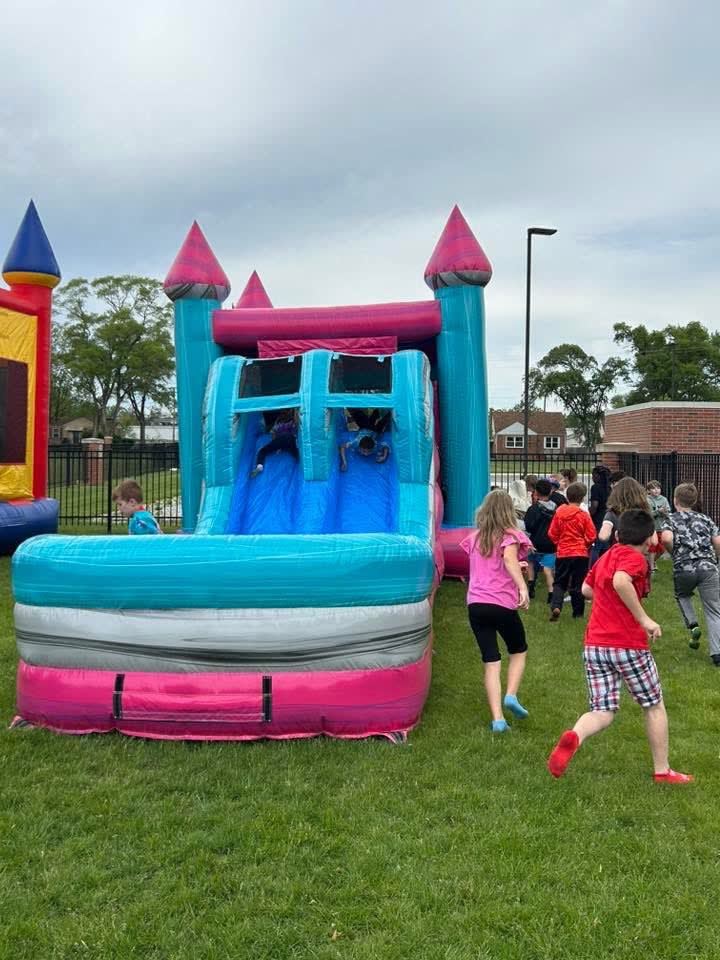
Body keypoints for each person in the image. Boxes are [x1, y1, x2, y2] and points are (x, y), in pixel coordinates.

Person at [547, 509, 693, 784]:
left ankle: (576, 735)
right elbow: (620, 580)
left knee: (602, 710)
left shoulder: (606, 557)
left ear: (617, 535)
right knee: (653, 705)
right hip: (628, 645)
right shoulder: (636, 559)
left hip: (595, 646)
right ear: (649, 539)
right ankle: (663, 771)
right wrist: (644, 619)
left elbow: (586, 590)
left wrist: (608, 595)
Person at [460, 489, 532, 733]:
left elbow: (491, 564)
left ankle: (498, 719)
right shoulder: (510, 536)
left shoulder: (475, 538)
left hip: (476, 605)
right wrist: (522, 587)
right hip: (501, 604)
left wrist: (516, 566)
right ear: (508, 511)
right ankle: (511, 695)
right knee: (518, 649)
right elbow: (508, 560)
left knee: (491, 661)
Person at [661, 482, 720, 666]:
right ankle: (717, 653)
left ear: (675, 500)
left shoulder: (670, 519)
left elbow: (666, 538)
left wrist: (673, 553)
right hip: (708, 567)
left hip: (684, 568)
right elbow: (718, 542)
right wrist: (715, 559)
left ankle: (693, 624)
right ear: (694, 501)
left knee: (683, 595)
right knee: (713, 610)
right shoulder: (706, 519)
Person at [548, 482, 597, 620]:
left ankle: (556, 605)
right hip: (580, 553)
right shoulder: (583, 515)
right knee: (578, 584)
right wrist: (584, 544)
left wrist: (559, 543)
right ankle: (578, 613)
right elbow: (592, 535)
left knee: (559, 582)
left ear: (567, 497)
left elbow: (552, 533)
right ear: (582, 498)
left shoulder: (559, 514)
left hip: (563, 552)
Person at [524, 478, 557, 602]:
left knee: (531, 563)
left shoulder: (533, 509)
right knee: (548, 569)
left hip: (535, 542)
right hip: (550, 544)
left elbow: (528, 526)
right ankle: (551, 594)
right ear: (550, 492)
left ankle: (531, 587)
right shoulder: (556, 509)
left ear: (536, 492)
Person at [251, 409, 299, 477]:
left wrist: (276, 445)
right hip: (290, 439)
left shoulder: (278, 421)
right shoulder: (292, 421)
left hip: (280, 439)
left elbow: (273, 432)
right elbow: (295, 432)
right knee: (295, 452)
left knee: (263, 451)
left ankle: (259, 466)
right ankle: (299, 460)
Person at [646, 480, 671, 573]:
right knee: (652, 548)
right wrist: (658, 511)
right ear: (648, 490)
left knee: (661, 549)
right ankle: (652, 568)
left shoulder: (664, 499)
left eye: (658, 488)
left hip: (661, 527)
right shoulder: (647, 500)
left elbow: (668, 512)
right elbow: (648, 514)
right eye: (653, 488)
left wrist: (665, 512)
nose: (656, 490)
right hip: (652, 528)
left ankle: (651, 562)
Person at [588, 465, 611, 534]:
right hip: (608, 516)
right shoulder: (609, 487)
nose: (592, 477)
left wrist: (588, 513)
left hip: (598, 518)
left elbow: (594, 505)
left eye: (593, 475)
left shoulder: (595, 487)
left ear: (598, 476)